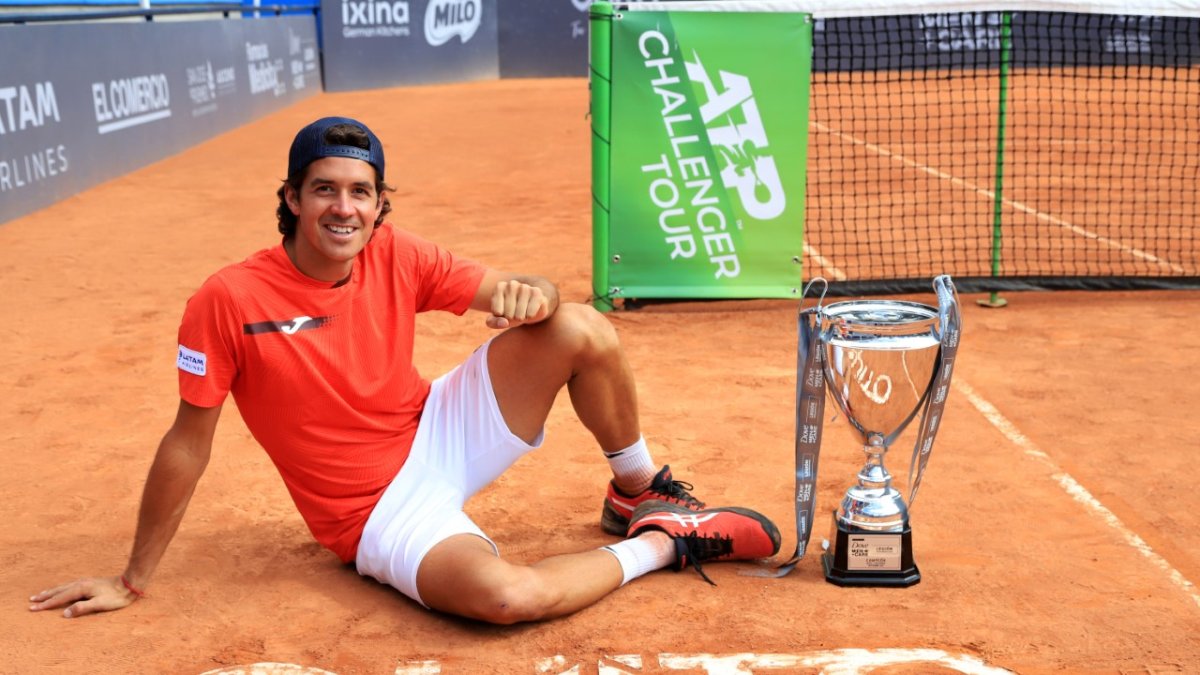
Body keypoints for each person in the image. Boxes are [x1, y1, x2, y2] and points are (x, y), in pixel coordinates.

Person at [27, 116, 780, 625]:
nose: (343, 208)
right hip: (373, 512)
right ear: (291, 199)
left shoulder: (399, 252)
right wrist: (131, 577)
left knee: (579, 323)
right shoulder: (228, 299)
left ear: (380, 205)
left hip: (435, 430)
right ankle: (665, 542)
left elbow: (536, 292)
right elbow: (189, 440)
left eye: (361, 193)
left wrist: (532, 295)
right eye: (324, 188)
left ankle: (638, 491)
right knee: (504, 595)